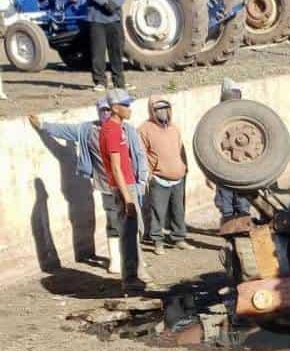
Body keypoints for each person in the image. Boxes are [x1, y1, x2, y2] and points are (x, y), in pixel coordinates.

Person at [28, 98, 148, 275]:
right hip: (107, 186)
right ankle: (117, 261)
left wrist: (142, 181)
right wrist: (43, 125)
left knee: (136, 224)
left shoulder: (127, 130)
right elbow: (64, 131)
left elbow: (138, 154)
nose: (106, 113)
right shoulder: (87, 130)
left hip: (130, 184)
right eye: (103, 110)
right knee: (114, 223)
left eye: (108, 110)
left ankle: (135, 261)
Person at [99, 88, 149, 292]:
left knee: (134, 231)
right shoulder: (111, 131)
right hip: (123, 187)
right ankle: (130, 279)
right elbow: (116, 167)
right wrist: (128, 198)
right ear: (114, 108)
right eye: (125, 105)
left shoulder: (117, 128)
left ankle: (134, 274)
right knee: (128, 234)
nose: (129, 109)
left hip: (126, 185)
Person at [139, 95, 190, 256]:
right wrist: (148, 174)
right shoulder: (144, 129)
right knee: (157, 212)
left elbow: (181, 149)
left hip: (178, 177)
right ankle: (158, 241)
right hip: (159, 178)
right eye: (158, 109)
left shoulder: (174, 128)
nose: (162, 112)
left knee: (178, 209)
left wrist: (185, 167)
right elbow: (141, 153)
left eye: (164, 108)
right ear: (151, 111)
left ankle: (178, 238)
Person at [212, 79, 252, 222]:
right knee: (227, 208)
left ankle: (244, 238)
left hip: (242, 170)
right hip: (223, 171)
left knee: (243, 205)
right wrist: (209, 174)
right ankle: (231, 242)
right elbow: (209, 147)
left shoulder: (246, 116)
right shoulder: (215, 118)